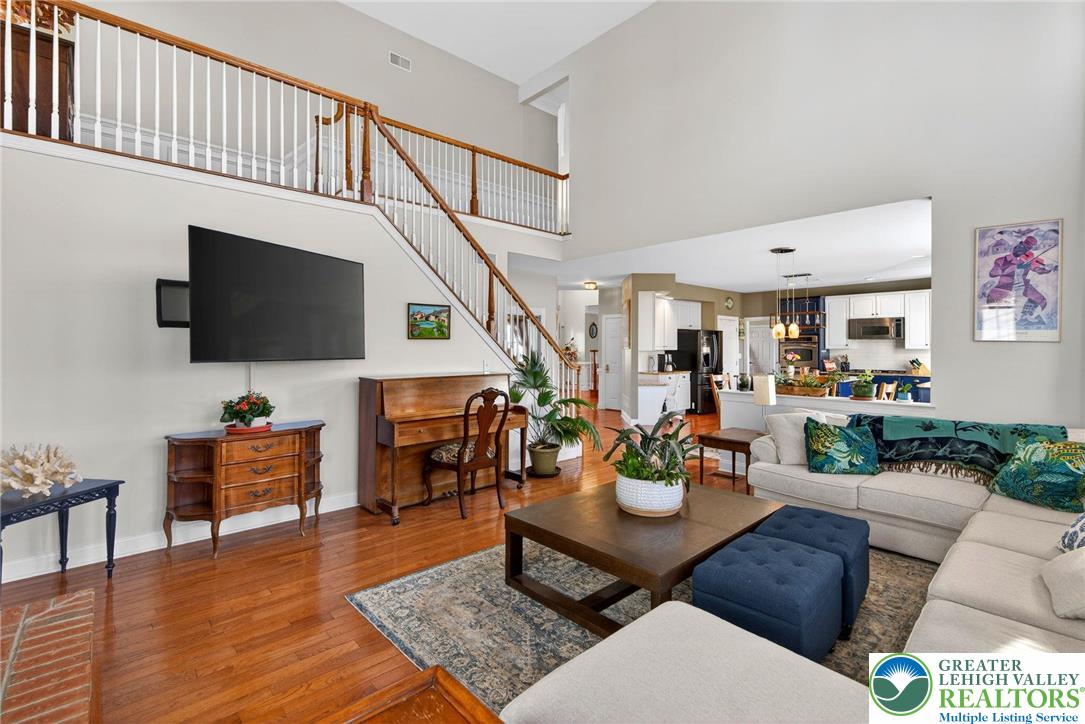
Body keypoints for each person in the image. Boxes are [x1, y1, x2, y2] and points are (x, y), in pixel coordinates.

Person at [985, 235, 1056, 324]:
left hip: (1024, 286)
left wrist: (1049, 268)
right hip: (1006, 286)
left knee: (1041, 300)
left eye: (1025, 249)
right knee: (1005, 306)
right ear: (1017, 245)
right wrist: (1015, 267)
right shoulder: (1001, 260)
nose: (1020, 250)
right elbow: (993, 273)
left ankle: (1026, 316)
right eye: (1020, 246)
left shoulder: (1025, 260)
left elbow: (1038, 270)